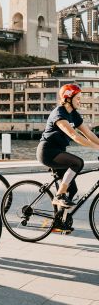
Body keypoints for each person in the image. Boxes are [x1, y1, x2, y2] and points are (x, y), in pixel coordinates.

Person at [37, 83, 99, 230]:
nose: (80, 101)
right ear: (68, 98)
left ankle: (58, 222)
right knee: (78, 163)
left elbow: (89, 134)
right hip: (48, 152)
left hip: (59, 152)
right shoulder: (59, 113)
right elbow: (74, 135)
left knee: (72, 190)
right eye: (78, 98)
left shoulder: (74, 115)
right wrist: (96, 147)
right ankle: (59, 195)